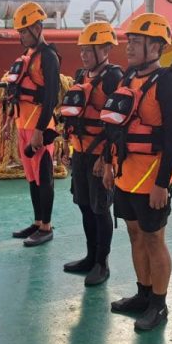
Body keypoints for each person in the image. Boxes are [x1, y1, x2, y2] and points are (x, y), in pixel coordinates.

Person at [102, 13, 172, 331]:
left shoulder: (167, 84)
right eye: (129, 41)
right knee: (134, 234)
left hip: (152, 179)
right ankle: (143, 294)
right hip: (126, 175)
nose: (129, 47)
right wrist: (110, 163)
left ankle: (159, 305)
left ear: (156, 47)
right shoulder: (127, 79)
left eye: (136, 41)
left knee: (154, 239)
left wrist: (162, 184)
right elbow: (116, 126)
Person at [60, 21, 123, 285]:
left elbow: (116, 123)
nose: (84, 54)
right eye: (83, 49)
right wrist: (66, 143)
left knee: (100, 210)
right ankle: (90, 256)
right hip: (80, 152)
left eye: (90, 49)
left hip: (99, 155)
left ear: (106, 49)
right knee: (84, 206)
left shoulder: (113, 78)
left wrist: (105, 158)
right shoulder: (80, 76)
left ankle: (102, 263)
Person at [6, 1, 61, 247]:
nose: (21, 36)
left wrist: (40, 130)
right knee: (31, 177)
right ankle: (38, 222)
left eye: (24, 31)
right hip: (22, 125)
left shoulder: (48, 57)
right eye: (19, 32)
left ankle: (47, 227)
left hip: (40, 127)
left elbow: (50, 97)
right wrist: (10, 123)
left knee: (44, 176)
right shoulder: (28, 56)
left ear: (38, 28)